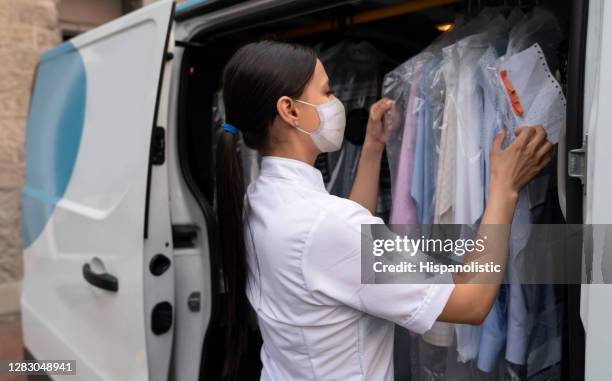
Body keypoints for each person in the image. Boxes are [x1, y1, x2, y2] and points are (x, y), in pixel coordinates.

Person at [215, 40, 552, 380]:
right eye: (327, 92)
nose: (336, 103)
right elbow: (472, 300)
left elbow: (342, 257)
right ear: (290, 110)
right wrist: (504, 188)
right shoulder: (328, 226)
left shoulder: (257, 200)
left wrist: (374, 146)